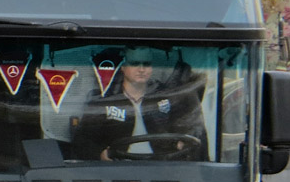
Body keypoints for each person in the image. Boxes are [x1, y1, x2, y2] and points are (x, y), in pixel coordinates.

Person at [73, 46, 206, 161]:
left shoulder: (167, 97)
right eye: (135, 63)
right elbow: (84, 141)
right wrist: (100, 154)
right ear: (123, 67)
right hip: (117, 169)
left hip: (161, 167)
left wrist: (181, 144)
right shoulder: (104, 99)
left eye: (146, 63)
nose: (141, 69)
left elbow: (188, 127)